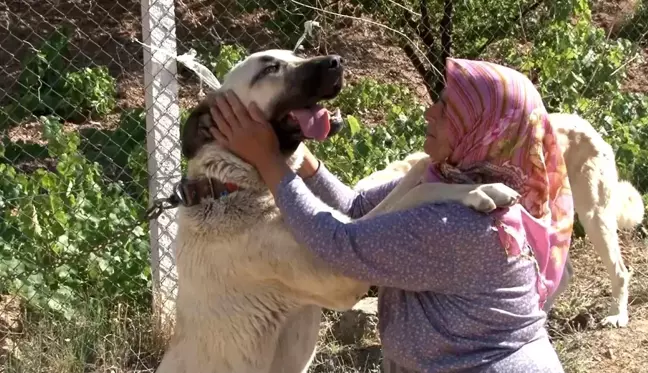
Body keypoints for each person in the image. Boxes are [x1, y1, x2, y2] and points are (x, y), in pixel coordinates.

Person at [208, 58, 574, 373]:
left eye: (446, 109)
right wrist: (298, 156)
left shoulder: (462, 223)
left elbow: (339, 244)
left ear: (481, 129)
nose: (429, 111)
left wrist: (269, 162)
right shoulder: (449, 178)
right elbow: (355, 208)